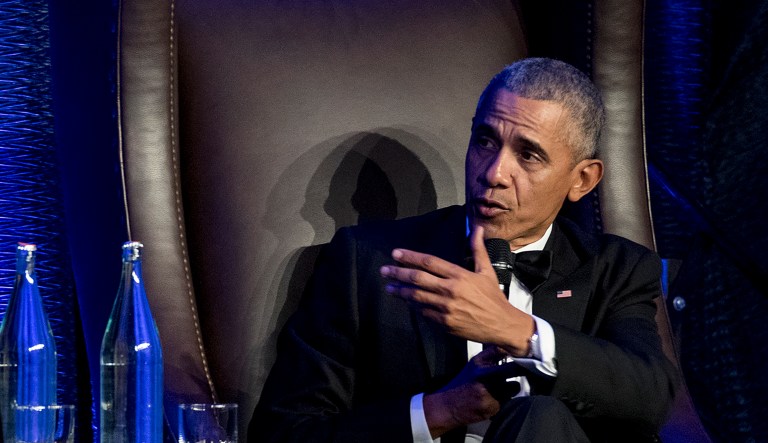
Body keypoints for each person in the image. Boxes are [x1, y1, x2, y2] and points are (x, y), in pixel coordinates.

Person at [249, 57, 679, 442]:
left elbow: (648, 398)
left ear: (581, 180)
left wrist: (517, 330)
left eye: (528, 156)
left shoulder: (617, 269)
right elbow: (284, 432)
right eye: (486, 141)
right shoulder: (368, 262)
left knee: (540, 414)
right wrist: (441, 411)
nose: (494, 173)